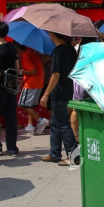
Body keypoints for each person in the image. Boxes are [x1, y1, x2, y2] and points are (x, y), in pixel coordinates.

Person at [40, 32, 79, 166]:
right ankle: (55, 153)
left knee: (62, 124)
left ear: (52, 35)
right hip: (68, 89)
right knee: (56, 123)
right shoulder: (71, 50)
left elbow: (56, 74)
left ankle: (74, 155)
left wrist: (46, 94)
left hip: (59, 91)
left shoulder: (58, 51)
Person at [0, 21, 20, 156]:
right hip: (12, 87)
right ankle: (12, 148)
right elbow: (17, 68)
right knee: (11, 119)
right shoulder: (13, 48)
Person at [17, 43, 49, 134]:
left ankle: (41, 120)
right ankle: (30, 125)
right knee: (29, 105)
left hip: (31, 83)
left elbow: (33, 71)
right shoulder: (32, 52)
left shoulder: (26, 55)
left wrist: (21, 71)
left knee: (22, 105)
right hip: (38, 82)